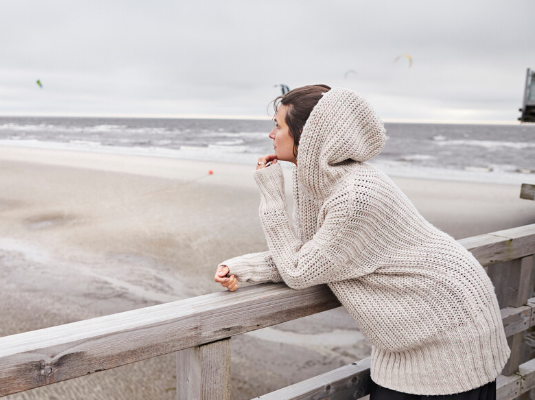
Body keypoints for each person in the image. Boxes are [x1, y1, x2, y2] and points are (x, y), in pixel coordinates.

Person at [214, 85, 508, 399]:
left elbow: (300, 270)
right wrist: (242, 268)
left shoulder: (354, 196)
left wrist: (272, 196)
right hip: (413, 338)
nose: (271, 134)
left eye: (278, 125)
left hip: (449, 336)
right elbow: (315, 254)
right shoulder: (326, 181)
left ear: (307, 134)